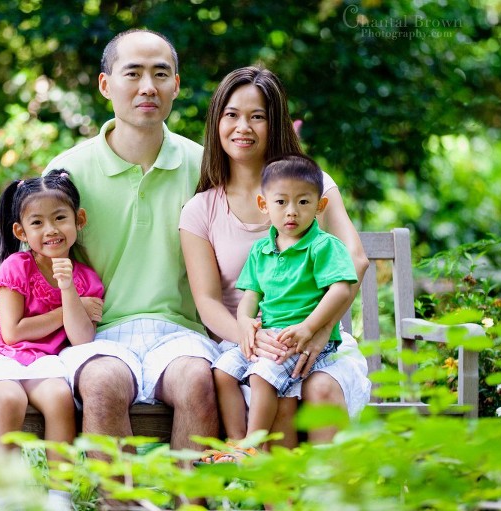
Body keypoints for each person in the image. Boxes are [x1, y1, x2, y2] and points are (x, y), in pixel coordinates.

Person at [42, 29, 220, 452]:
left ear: (176, 85)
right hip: (99, 333)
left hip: (182, 332)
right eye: (133, 73)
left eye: (161, 74)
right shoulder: (69, 172)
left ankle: (189, 504)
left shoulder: (205, 165)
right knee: (102, 385)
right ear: (106, 85)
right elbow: (41, 266)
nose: (148, 87)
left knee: (198, 380)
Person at [179, 66, 371, 449]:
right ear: (217, 121)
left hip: (318, 340)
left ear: (275, 123)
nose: (242, 127)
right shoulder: (201, 209)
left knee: (319, 390)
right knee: (267, 388)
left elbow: (356, 260)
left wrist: (317, 330)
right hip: (247, 344)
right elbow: (207, 301)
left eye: (257, 116)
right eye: (231, 115)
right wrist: (252, 339)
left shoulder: (310, 186)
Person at [0, 169, 104, 509]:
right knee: (9, 399)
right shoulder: (17, 266)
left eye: (60, 218)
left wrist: (68, 290)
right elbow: (12, 331)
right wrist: (64, 309)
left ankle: (59, 497)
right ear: (21, 231)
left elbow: (82, 340)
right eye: (37, 223)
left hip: (41, 361)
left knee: (61, 397)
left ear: (79, 219)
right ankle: (5, 496)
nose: (51, 230)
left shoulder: (86, 279)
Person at [215, 154, 358, 458]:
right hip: (270, 336)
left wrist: (310, 326)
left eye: (303, 202)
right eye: (281, 202)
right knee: (223, 371)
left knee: (262, 375)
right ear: (264, 204)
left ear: (320, 206)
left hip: (300, 338)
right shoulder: (261, 250)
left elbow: (341, 289)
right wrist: (245, 325)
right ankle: (237, 442)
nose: (292, 211)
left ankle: (252, 444)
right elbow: (249, 301)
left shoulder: (323, 246)